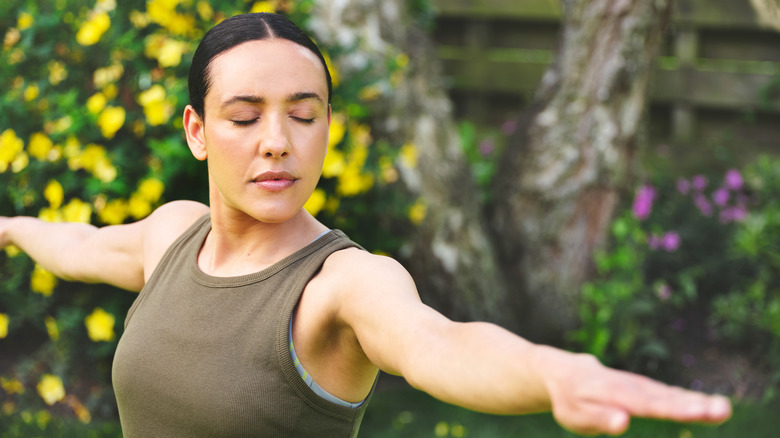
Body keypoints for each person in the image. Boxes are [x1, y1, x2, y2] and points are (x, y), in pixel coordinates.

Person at [0, 12, 731, 438]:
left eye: (304, 115)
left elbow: (438, 342)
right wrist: (9, 226)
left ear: (327, 127)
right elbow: (82, 244)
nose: (277, 141)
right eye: (245, 117)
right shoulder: (174, 234)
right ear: (196, 131)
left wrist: (549, 372)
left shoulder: (342, 286)